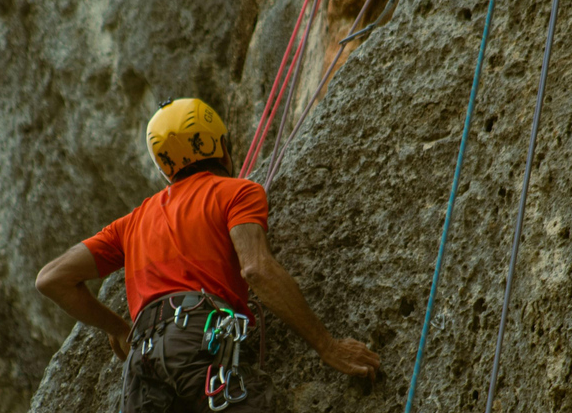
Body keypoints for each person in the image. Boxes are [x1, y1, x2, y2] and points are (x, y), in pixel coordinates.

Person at [36, 98, 380, 412]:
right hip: (200, 342)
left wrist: (121, 329)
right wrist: (327, 346)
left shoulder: (133, 222)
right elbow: (257, 270)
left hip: (142, 364)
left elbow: (52, 279)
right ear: (221, 147)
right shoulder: (238, 193)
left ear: (165, 168)